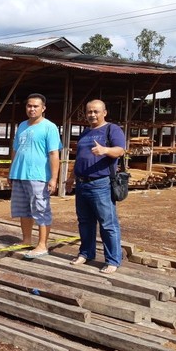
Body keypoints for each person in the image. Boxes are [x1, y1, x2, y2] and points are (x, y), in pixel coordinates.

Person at [65, 99, 126, 274]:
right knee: (85, 222)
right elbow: (80, 159)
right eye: (89, 111)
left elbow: (120, 150)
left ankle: (113, 260)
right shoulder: (85, 133)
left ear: (104, 112)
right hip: (82, 184)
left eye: (96, 111)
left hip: (101, 184)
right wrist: (71, 178)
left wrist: (105, 150)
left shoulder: (111, 129)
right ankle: (86, 253)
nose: (92, 114)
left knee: (107, 223)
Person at [9, 93, 62, 259]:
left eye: (35, 106)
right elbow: (16, 150)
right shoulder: (22, 126)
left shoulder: (49, 127)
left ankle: (42, 244)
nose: (32, 109)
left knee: (41, 210)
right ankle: (26, 239)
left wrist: (53, 178)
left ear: (43, 108)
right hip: (20, 174)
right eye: (29, 106)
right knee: (23, 210)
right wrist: (12, 171)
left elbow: (54, 154)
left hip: (38, 176)